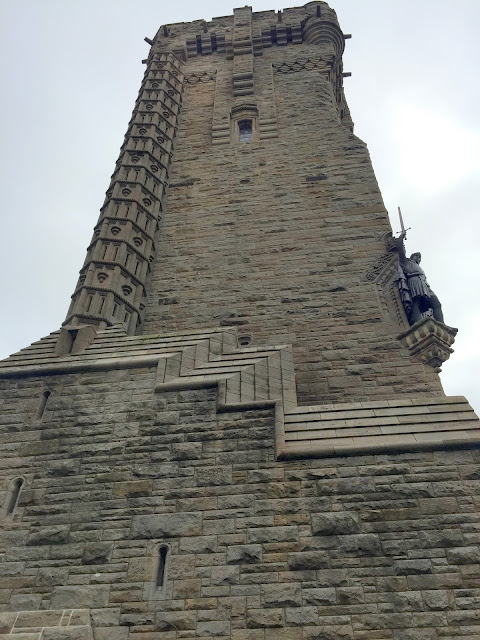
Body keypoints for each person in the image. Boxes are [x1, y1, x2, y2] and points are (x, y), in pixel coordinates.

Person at [396, 231, 444, 325]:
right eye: (416, 256)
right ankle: (418, 324)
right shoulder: (406, 262)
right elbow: (400, 251)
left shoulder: (418, 267)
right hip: (414, 282)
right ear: (412, 257)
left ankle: (442, 325)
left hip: (424, 284)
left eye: (419, 257)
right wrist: (401, 237)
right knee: (416, 303)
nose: (418, 258)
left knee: (436, 303)